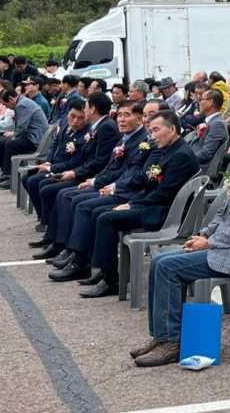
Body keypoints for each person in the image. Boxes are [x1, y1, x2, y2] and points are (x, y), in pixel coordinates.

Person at [131, 108, 230, 366]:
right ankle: (163, 335)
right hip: (226, 244)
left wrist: (210, 242)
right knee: (160, 260)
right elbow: (225, 210)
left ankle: (171, 341)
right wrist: (203, 233)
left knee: (168, 266)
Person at [82, 110, 200, 298]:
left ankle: (111, 280)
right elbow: (148, 184)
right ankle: (103, 271)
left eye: (156, 130)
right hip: (155, 205)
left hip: (166, 213)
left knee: (106, 218)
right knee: (99, 213)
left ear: (172, 130)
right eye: (150, 131)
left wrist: (132, 205)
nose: (152, 136)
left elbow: (163, 194)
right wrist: (133, 202)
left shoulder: (180, 155)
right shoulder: (166, 150)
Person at [45, 101, 150, 283]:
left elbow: (128, 173)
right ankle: (74, 252)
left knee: (84, 206)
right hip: (116, 186)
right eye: (120, 115)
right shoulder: (126, 137)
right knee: (71, 197)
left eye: (127, 115)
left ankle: (82, 262)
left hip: (127, 192)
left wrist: (104, 184)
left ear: (140, 118)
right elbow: (112, 166)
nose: (122, 119)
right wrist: (96, 181)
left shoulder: (142, 141)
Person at [34, 93, 120, 255]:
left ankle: (65, 245)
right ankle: (55, 239)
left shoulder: (106, 127)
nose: (85, 110)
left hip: (94, 176)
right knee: (53, 189)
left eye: (87, 106)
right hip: (88, 173)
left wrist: (75, 173)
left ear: (92, 109)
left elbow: (99, 161)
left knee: (62, 193)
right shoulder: (99, 126)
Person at [23, 101, 91, 241]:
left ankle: (48, 222)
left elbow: (76, 162)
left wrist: (50, 168)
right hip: (55, 164)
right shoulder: (65, 124)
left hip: (69, 170)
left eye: (80, 118)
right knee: (27, 178)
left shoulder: (86, 135)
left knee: (41, 184)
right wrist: (48, 162)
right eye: (72, 116)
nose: (75, 121)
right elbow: (54, 145)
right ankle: (43, 216)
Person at [0, 85, 48, 186]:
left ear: (11, 99)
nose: (6, 107)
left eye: (5, 104)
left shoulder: (22, 105)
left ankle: (10, 177)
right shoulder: (21, 102)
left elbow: (21, 127)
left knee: (10, 144)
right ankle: (6, 172)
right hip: (28, 135)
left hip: (34, 139)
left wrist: (12, 136)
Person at [185, 88, 229, 169]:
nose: (199, 102)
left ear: (210, 102)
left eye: (201, 99)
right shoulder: (211, 121)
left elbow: (206, 153)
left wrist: (184, 160)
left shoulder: (217, 124)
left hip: (200, 169)